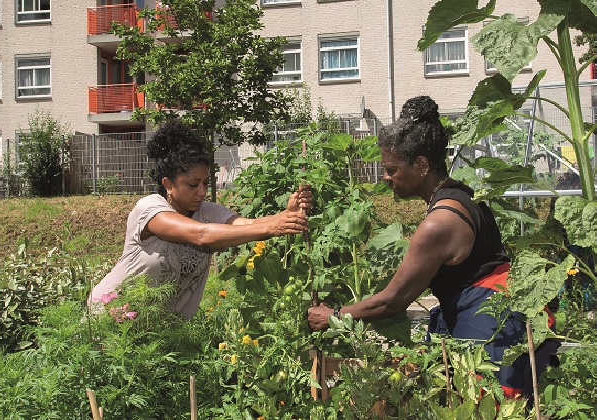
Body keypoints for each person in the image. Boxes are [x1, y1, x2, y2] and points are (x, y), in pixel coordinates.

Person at [306, 96, 557, 398]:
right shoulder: (461, 194)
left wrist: (334, 315)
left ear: (421, 165)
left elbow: (393, 300)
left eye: (391, 169)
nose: (386, 178)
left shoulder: (439, 223)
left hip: (488, 325)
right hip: (499, 311)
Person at [89, 121, 311, 318]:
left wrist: (285, 215)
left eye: (206, 183)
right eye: (193, 185)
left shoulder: (207, 212)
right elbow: (200, 235)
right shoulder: (150, 208)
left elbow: (246, 224)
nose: (202, 192)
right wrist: (275, 225)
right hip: (112, 316)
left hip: (161, 330)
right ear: (168, 184)